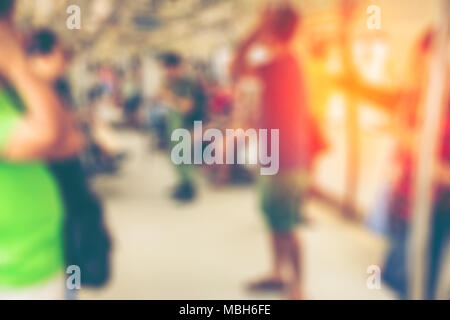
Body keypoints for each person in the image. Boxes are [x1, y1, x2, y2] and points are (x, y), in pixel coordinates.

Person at [231, 5, 325, 299]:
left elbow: (236, 68)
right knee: (275, 219)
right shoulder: (284, 62)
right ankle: (278, 272)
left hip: (286, 160)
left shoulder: (283, 64)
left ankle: (297, 287)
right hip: (278, 157)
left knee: (287, 223)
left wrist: (254, 32)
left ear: (272, 29)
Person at [0, 0, 83, 299]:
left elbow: (68, 142)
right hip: (15, 274)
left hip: (44, 257)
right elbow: (48, 136)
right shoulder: (18, 75)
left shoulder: (14, 88)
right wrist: (17, 65)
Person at [159, 52, 207, 202]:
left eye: (168, 68)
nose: (166, 72)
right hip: (174, 123)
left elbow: (188, 106)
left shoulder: (187, 82)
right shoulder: (172, 81)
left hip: (186, 124)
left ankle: (189, 187)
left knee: (183, 157)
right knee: (176, 156)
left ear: (176, 67)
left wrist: (169, 96)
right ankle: (183, 183)